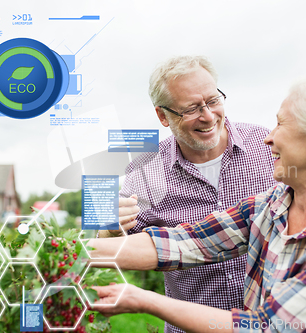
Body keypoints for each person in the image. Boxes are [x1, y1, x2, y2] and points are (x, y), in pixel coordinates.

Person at [89, 75, 306, 333]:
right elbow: (184, 242)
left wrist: (145, 300)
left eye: (281, 125)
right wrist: (66, 251)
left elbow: (267, 328)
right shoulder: (270, 207)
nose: (270, 138)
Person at [98, 56, 276, 332]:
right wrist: (108, 231)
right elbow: (126, 248)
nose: (207, 116)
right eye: (191, 108)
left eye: (214, 100)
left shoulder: (266, 147)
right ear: (162, 116)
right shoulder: (144, 173)